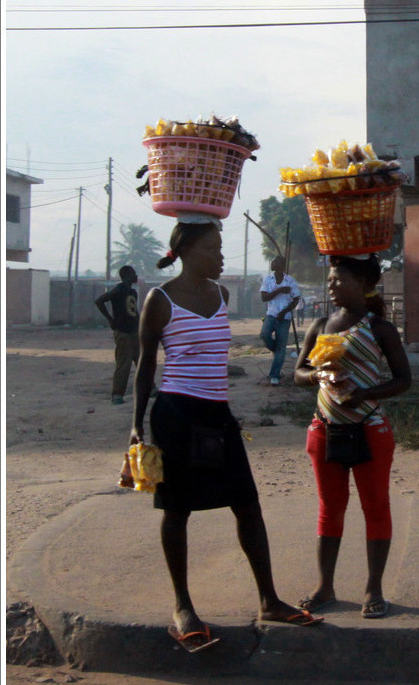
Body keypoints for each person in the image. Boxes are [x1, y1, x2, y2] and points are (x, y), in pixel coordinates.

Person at [130, 221, 323, 653]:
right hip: (176, 413)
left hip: (218, 414)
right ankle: (183, 609)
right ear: (188, 250)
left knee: (248, 504)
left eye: (220, 248)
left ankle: (269, 600)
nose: (221, 256)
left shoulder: (222, 295)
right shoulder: (159, 300)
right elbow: (145, 366)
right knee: (177, 509)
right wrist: (136, 424)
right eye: (214, 248)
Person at [294, 254, 412, 619]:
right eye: (330, 279)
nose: (332, 284)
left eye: (339, 278)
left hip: (370, 429)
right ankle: (324, 586)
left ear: (363, 284)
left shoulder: (380, 329)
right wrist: (318, 377)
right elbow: (298, 371)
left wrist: (366, 393)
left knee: (375, 508)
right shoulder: (320, 325)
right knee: (330, 510)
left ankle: (373, 588)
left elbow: (403, 380)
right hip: (324, 429)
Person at [95, 265, 140, 404]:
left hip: (134, 331)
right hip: (123, 332)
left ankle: (150, 389)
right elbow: (99, 301)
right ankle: (117, 394)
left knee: (143, 362)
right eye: (133, 273)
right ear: (127, 275)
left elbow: (133, 312)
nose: (136, 276)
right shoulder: (118, 290)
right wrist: (110, 319)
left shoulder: (133, 292)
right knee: (124, 364)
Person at [260, 255, 300, 385]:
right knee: (264, 335)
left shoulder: (290, 281)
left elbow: (296, 299)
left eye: (274, 261)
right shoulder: (268, 280)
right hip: (271, 315)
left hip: (285, 318)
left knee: (281, 347)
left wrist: (284, 312)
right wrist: (279, 290)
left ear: (281, 265)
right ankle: (277, 350)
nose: (272, 263)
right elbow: (264, 298)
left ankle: (274, 375)